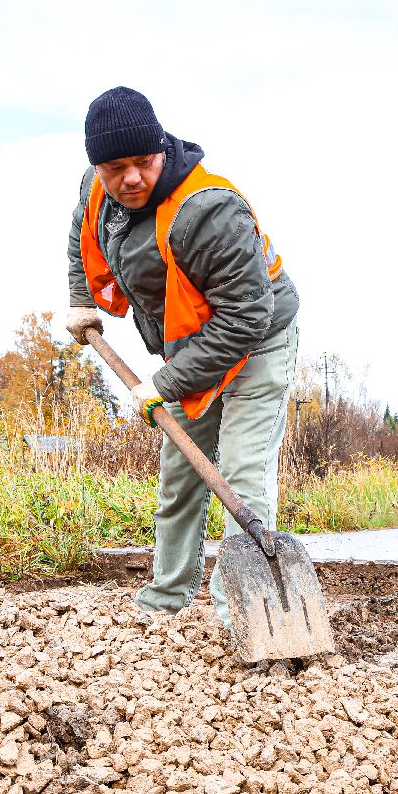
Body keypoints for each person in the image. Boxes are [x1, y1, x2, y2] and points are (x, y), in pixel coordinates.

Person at [65, 87, 300, 630]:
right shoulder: (97, 191)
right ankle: (164, 602)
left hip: (259, 338)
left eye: (142, 163)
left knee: (241, 476)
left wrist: (166, 382)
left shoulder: (209, 210)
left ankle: (245, 616)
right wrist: (81, 299)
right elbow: (79, 236)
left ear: (162, 151)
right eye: (114, 167)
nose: (130, 179)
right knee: (180, 478)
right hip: (197, 340)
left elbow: (246, 318)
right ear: (97, 166)